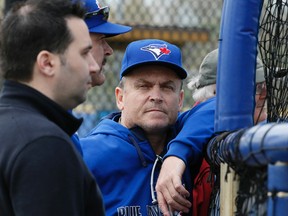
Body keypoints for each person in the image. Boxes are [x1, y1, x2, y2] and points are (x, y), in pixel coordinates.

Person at [0, 0, 105, 215]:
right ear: (47, 63)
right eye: (84, 53)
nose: (93, 66)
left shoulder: (10, 126)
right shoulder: (44, 144)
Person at [80, 39, 194, 215]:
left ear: (180, 100)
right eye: (143, 86)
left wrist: (177, 156)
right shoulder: (87, 154)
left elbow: (217, 106)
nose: (156, 96)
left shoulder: (191, 142)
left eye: (166, 87)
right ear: (120, 98)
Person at [156, 48, 267, 216]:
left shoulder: (265, 128)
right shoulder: (190, 124)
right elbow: (211, 110)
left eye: (264, 86)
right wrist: (176, 155)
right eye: (255, 87)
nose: (264, 94)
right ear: (216, 94)